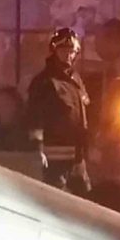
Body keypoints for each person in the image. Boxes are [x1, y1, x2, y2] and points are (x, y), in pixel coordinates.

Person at [27, 28, 92, 196]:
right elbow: (34, 118)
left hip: (78, 158)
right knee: (57, 201)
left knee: (86, 201)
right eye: (64, 50)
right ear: (55, 51)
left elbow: (83, 114)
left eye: (72, 51)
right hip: (55, 160)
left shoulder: (76, 80)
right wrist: (37, 149)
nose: (69, 55)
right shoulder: (45, 82)